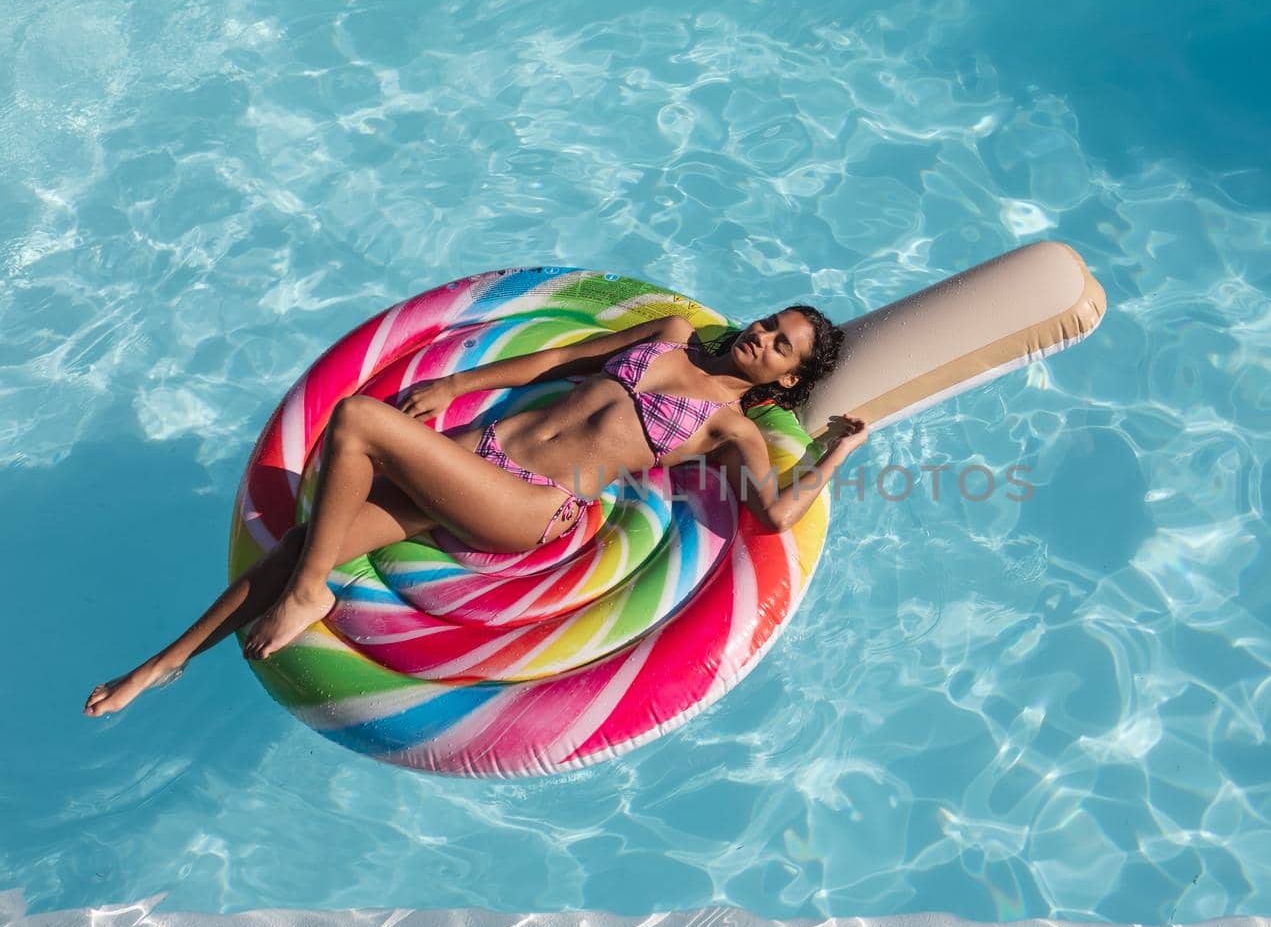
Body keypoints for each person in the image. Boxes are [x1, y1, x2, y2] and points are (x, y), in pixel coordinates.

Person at [84, 306, 866, 717]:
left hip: (529, 504)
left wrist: (831, 456)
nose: (763, 337)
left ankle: (309, 592)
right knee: (299, 542)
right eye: (771, 323)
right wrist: (458, 387)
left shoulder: (732, 430)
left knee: (358, 420)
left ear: (786, 381)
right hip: (477, 446)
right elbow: (560, 359)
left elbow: (772, 512)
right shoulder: (673, 334)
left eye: (782, 346)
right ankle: (168, 660)